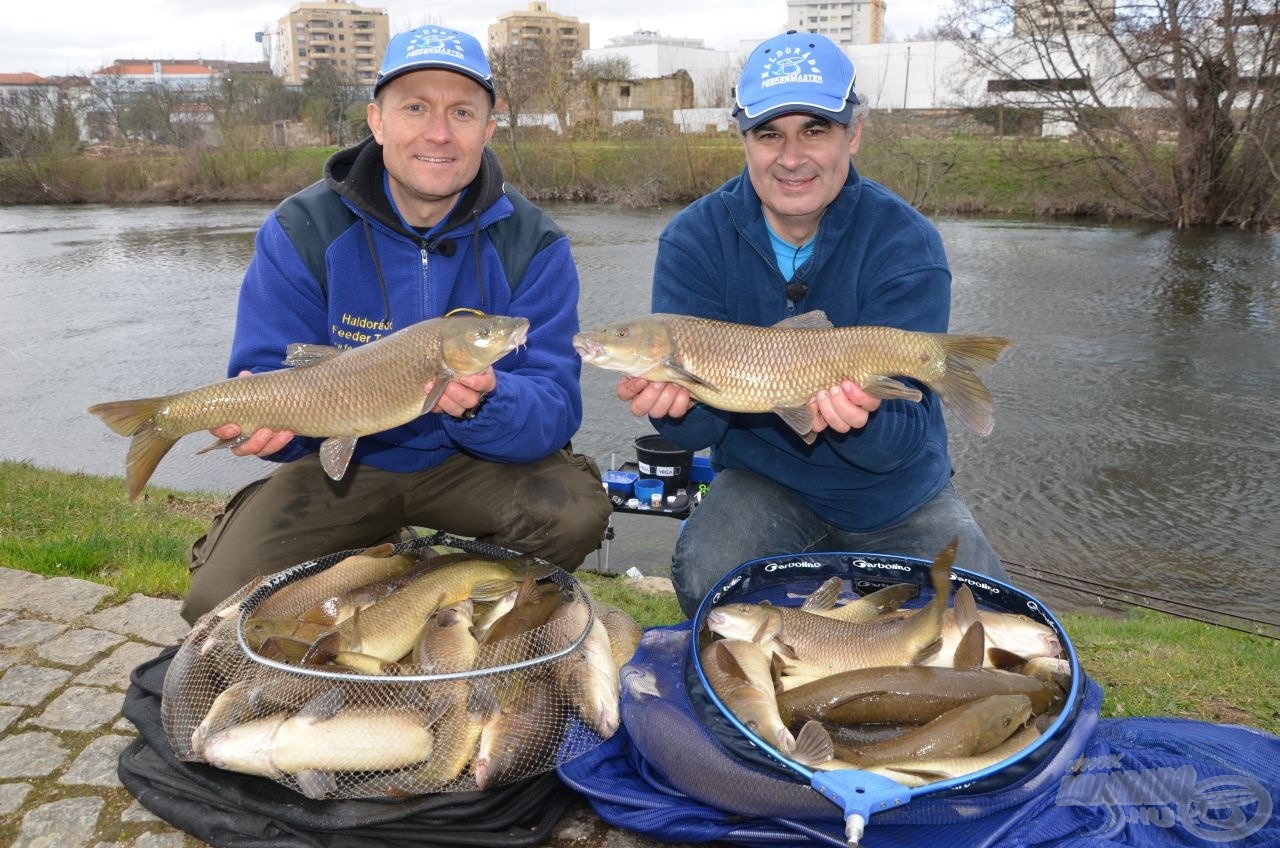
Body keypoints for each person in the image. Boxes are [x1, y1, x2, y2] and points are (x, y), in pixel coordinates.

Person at [181, 25, 612, 624]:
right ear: (377, 122)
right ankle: (372, 571)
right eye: (415, 108)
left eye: (462, 112)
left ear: (488, 131)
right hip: (346, 466)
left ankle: (440, 593)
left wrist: (488, 400)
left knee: (574, 514)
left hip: (477, 467)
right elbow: (266, 371)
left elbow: (556, 407)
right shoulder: (301, 228)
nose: (438, 133)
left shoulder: (533, 242)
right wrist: (278, 430)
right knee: (218, 605)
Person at [616, 31, 1010, 617]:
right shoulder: (694, 239)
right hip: (764, 482)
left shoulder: (906, 243)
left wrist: (861, 419)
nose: (791, 157)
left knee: (987, 620)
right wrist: (672, 407)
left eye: (815, 130)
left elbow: (898, 446)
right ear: (744, 139)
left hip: (895, 493)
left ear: (853, 134)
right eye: (769, 134)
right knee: (707, 579)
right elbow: (693, 435)